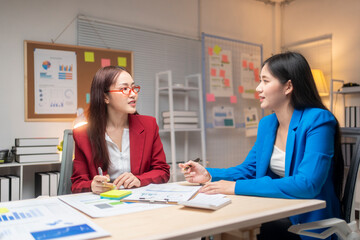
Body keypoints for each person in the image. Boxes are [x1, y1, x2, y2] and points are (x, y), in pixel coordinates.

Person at [179, 52, 344, 240]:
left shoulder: (318, 120)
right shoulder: (267, 124)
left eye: (265, 81)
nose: (258, 88)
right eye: (260, 81)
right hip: (280, 214)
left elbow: (307, 184)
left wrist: (235, 187)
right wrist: (208, 175)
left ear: (288, 86)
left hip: (312, 224)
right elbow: (250, 169)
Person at [71, 66, 170, 194]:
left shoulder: (149, 125)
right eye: (124, 89)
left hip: (138, 202)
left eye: (133, 88)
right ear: (105, 97)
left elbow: (162, 171)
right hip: (104, 205)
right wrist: (92, 185)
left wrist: (139, 179)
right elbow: (77, 184)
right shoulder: (82, 135)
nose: (133, 94)